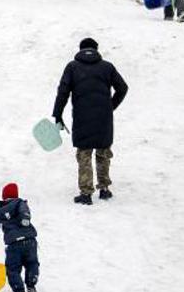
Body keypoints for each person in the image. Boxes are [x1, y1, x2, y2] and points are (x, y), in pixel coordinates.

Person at [53, 37, 129, 205]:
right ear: (96, 49)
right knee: (103, 153)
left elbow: (63, 92)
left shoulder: (72, 67)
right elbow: (123, 88)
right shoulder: (107, 67)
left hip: (82, 117)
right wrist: (111, 106)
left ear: (80, 49)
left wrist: (57, 114)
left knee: (84, 155)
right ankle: (104, 189)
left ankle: (86, 193)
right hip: (104, 118)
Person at [0, 182, 39, 292]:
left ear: (4, 196)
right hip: (30, 241)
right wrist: (25, 217)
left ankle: (19, 290)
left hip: (13, 245)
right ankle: (31, 283)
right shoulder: (20, 203)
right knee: (32, 263)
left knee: (12, 269)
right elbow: (24, 210)